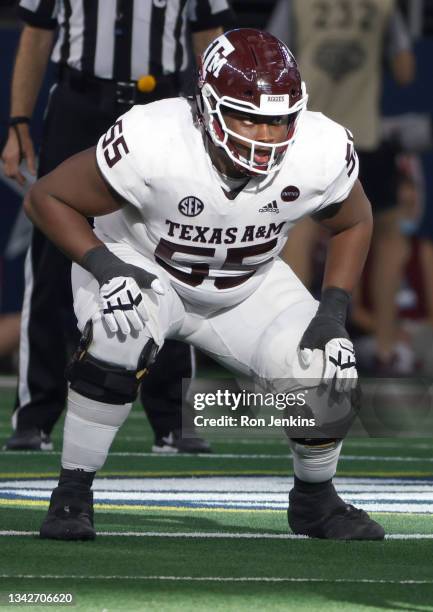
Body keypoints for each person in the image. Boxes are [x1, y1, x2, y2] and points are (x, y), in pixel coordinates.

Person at [25, 28, 384, 541]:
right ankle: (72, 493)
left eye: (280, 120)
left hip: (249, 284)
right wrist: (106, 269)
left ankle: (316, 500)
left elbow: (355, 219)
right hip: (145, 267)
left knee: (328, 370)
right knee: (118, 329)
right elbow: (48, 198)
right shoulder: (155, 139)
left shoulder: (319, 147)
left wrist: (333, 312)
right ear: (206, 107)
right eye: (250, 118)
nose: (266, 136)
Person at [1, 0, 234, 453]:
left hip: (164, 106)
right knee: (51, 257)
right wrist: (18, 122)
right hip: (79, 103)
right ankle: (35, 415)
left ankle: (174, 419)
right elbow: (36, 31)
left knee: (175, 249)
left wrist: (210, 124)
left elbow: (212, 37)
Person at [268, 0, 416, 372]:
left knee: (298, 231)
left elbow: (269, 60)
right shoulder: (384, 7)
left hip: (308, 133)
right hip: (361, 138)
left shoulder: (296, 4)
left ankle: (294, 347)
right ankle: (386, 348)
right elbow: (405, 71)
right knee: (387, 236)